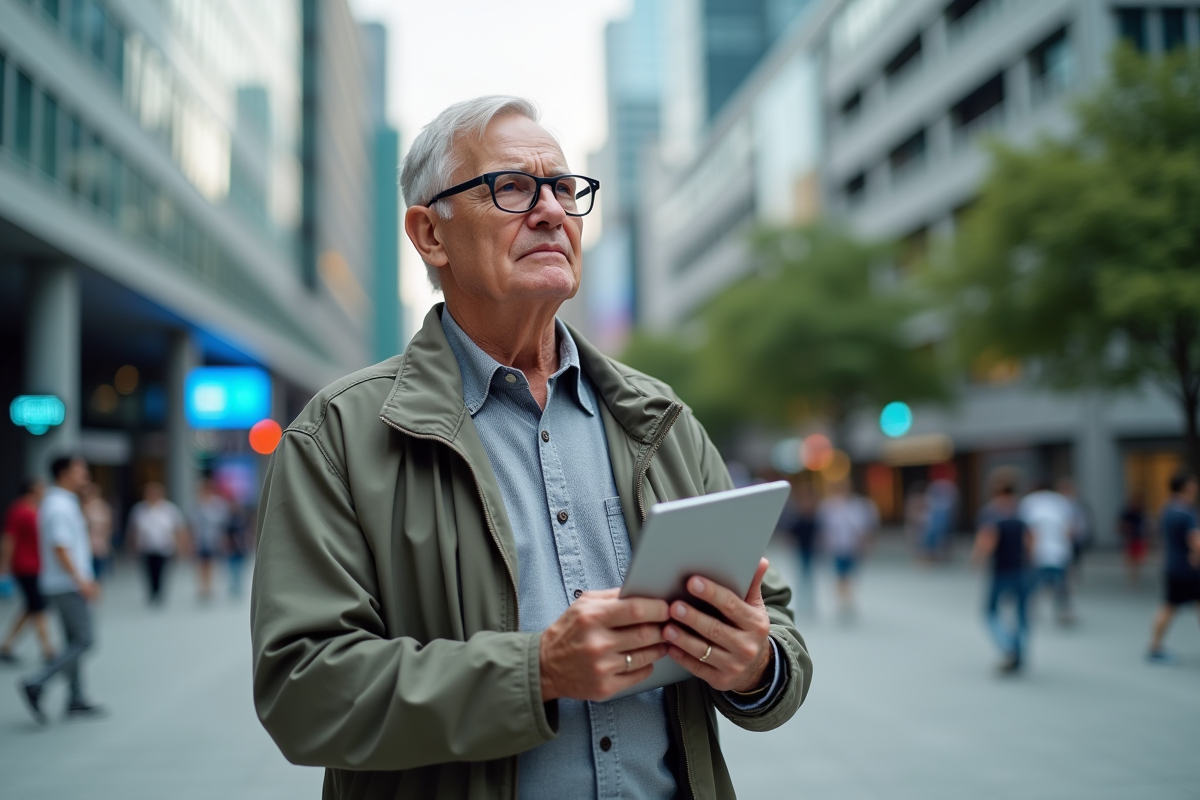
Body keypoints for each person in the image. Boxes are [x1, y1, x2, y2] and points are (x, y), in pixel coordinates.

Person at [250, 96, 811, 800]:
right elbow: (304, 694)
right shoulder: (336, 438)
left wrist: (757, 664)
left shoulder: (661, 419)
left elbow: (774, 618)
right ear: (429, 235)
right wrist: (537, 672)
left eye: (565, 189)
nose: (550, 210)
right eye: (512, 187)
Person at [18, 456, 106, 723]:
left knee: (74, 640)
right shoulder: (59, 506)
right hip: (67, 584)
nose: (86, 476)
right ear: (64, 474)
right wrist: (81, 580)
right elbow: (60, 546)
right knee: (85, 639)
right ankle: (38, 681)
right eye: (81, 471)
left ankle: (76, 698)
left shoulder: (61, 503)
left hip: (62, 582)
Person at [971, 476, 1033, 674]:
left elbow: (988, 539)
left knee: (990, 611)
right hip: (1022, 569)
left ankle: (1008, 647)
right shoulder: (1022, 511)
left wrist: (977, 559)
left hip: (1001, 570)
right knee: (1022, 613)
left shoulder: (991, 512)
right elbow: (1030, 541)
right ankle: (1019, 649)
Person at [1146, 470, 1200, 662]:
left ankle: (1154, 647)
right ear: (1186, 487)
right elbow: (1195, 540)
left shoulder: (1167, 508)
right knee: (1171, 606)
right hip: (1189, 569)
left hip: (1173, 565)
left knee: (1169, 606)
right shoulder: (1186, 511)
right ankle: (1154, 648)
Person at [0, 479, 56, 664]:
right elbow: (9, 538)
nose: (44, 490)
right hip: (25, 566)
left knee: (31, 607)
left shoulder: (37, 510)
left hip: (38, 565)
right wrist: (4, 565)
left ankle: (7, 644)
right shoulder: (19, 510)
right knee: (38, 606)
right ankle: (48, 650)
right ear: (32, 490)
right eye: (41, 487)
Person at [817, 480, 879, 617]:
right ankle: (842, 600)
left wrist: (866, 542)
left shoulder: (859, 505)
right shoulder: (829, 506)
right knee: (840, 575)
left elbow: (865, 526)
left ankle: (848, 599)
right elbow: (825, 527)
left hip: (852, 546)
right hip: (837, 547)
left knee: (850, 574)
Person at [1019, 480, 1077, 625]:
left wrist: (1026, 551)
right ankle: (1064, 611)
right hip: (1059, 550)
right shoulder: (1061, 502)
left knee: (1034, 583)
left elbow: (1026, 532)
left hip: (1038, 550)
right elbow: (1069, 529)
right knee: (1061, 582)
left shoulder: (1028, 502)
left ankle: (1029, 609)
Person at [127, 482, 186, 606]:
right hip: (146, 546)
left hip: (164, 546)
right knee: (148, 571)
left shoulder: (169, 509)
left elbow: (178, 529)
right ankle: (152, 591)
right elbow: (134, 530)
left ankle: (159, 592)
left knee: (161, 570)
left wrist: (180, 546)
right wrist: (132, 545)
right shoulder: (139, 509)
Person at [779, 481, 818, 615]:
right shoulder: (798, 516)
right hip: (801, 550)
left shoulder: (813, 516)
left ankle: (809, 602)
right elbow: (790, 532)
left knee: (808, 575)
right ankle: (803, 601)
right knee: (802, 575)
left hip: (810, 549)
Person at [190, 476, 231, 601]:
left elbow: (222, 521)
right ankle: (202, 587)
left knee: (211, 563)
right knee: (201, 564)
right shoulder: (196, 503)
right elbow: (191, 522)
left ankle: (209, 586)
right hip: (200, 538)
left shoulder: (217, 503)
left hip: (213, 538)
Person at [80, 483, 113, 582]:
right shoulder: (82, 506)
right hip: (85, 541)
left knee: (98, 567)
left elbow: (108, 524)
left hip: (98, 541)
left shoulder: (101, 506)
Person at [1119, 494, 1148, 587]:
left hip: (1139, 537)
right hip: (1131, 538)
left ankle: (1135, 576)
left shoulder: (1141, 512)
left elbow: (1146, 524)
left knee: (1138, 559)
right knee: (1130, 559)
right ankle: (1131, 578)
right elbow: (1121, 524)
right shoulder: (1128, 512)